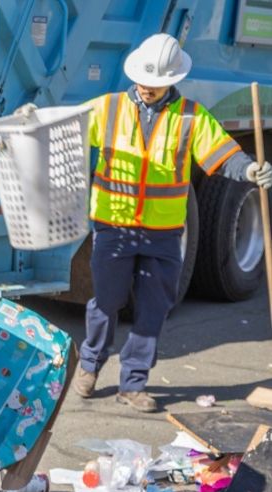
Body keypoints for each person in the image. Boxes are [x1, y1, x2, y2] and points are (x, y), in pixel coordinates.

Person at [71, 33, 272, 413]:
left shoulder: (192, 117)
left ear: (171, 81)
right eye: (145, 80)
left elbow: (223, 155)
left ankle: (133, 383)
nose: (148, 88)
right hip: (113, 227)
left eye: (156, 82)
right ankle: (90, 365)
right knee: (107, 301)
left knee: (154, 306)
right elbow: (66, 131)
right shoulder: (108, 108)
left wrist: (249, 169)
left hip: (164, 233)